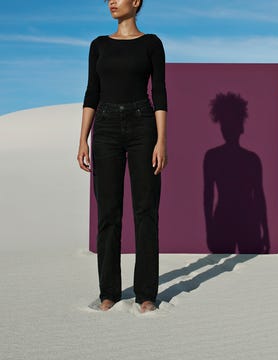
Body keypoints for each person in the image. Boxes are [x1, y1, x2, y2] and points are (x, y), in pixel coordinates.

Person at [77, 0, 168, 313]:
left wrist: (161, 140)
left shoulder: (152, 43)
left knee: (146, 211)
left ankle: (146, 295)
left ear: (137, 2)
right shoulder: (98, 45)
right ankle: (109, 293)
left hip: (143, 126)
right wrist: (82, 139)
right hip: (104, 130)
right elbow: (92, 91)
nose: (112, 2)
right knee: (108, 214)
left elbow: (160, 94)